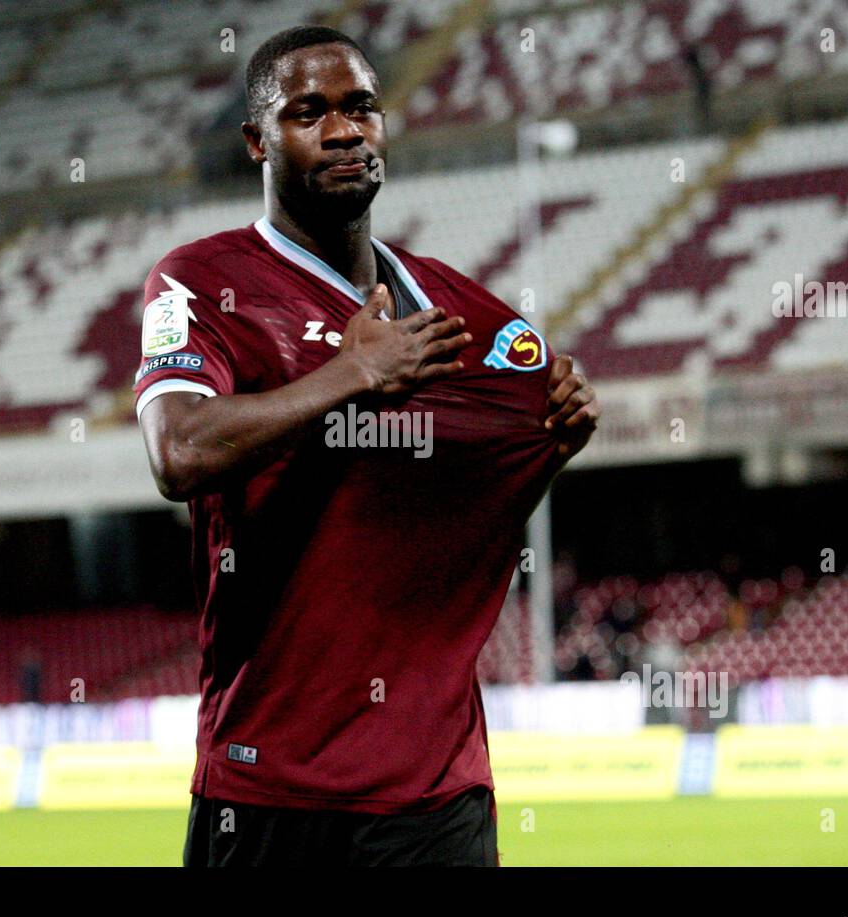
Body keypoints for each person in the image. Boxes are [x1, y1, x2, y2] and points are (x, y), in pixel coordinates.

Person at [133, 26, 601, 866]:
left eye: (361, 108)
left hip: (433, 795)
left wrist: (550, 442)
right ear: (256, 141)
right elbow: (177, 451)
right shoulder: (201, 281)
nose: (343, 131)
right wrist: (349, 375)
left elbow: (471, 502)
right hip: (263, 786)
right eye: (308, 113)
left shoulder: (457, 311)